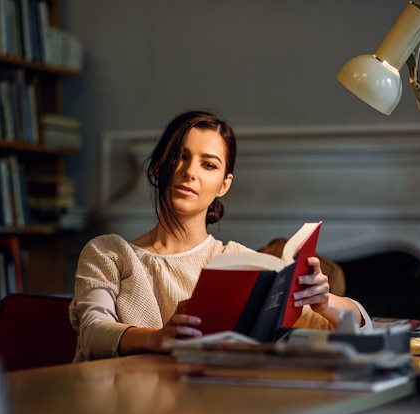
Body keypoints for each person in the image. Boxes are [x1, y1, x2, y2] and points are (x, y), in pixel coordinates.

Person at [69, 110, 372, 362]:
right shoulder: (107, 252)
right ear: (160, 166)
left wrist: (325, 301)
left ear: (224, 184)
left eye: (208, 164)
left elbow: (353, 332)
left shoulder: (238, 262)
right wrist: (157, 338)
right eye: (180, 156)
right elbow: (93, 331)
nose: (190, 172)